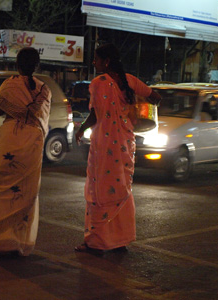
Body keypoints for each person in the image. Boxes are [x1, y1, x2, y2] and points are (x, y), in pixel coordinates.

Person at [75, 43, 161, 255]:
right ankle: (120, 241)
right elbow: (155, 97)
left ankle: (96, 242)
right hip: (125, 142)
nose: (94, 63)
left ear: (106, 61)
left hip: (104, 144)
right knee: (121, 188)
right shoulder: (130, 80)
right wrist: (139, 110)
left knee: (99, 190)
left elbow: (95, 115)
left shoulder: (98, 83)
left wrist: (81, 129)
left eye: (96, 59)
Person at [0, 47, 51, 256]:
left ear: (17, 65)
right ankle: (16, 241)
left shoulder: (9, 84)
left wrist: (15, 108)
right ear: (36, 66)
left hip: (9, 140)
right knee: (25, 192)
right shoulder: (44, 89)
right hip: (32, 145)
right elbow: (41, 118)